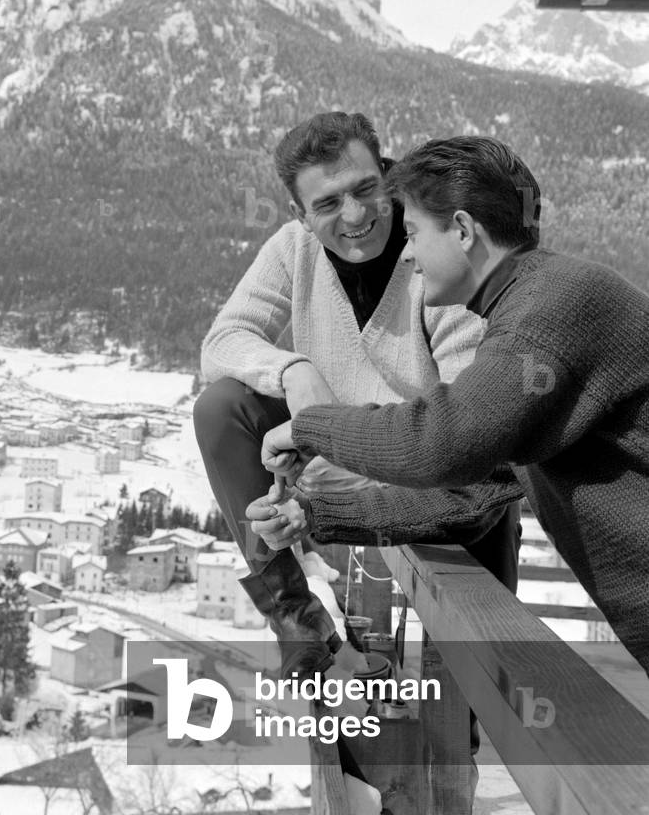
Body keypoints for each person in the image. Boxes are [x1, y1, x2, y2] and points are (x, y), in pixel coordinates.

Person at [254, 135, 649, 673]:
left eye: (413, 233)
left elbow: (437, 446)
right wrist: (313, 513)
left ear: (463, 231)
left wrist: (311, 428)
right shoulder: (531, 307)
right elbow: (468, 497)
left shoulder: (551, 312)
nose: (408, 254)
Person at [194, 113, 523, 680]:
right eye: (327, 204)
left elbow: (471, 426)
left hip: (435, 454)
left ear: (388, 179)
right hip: (336, 447)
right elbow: (223, 341)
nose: (355, 216)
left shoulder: (439, 248)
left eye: (366, 189)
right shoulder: (294, 248)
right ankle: (296, 621)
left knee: (471, 657)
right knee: (222, 407)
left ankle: (467, 720)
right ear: (299, 215)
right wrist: (293, 371)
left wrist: (354, 455)